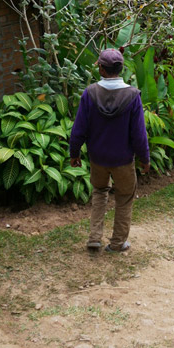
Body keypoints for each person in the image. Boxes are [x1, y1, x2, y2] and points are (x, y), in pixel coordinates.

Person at [69, 48, 150, 253]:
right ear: (120, 68)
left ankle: (94, 238)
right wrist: (144, 158)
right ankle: (117, 243)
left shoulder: (90, 93)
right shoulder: (132, 95)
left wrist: (75, 153)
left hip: (98, 158)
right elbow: (139, 134)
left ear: (102, 70)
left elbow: (79, 128)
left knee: (99, 192)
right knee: (124, 197)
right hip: (123, 159)